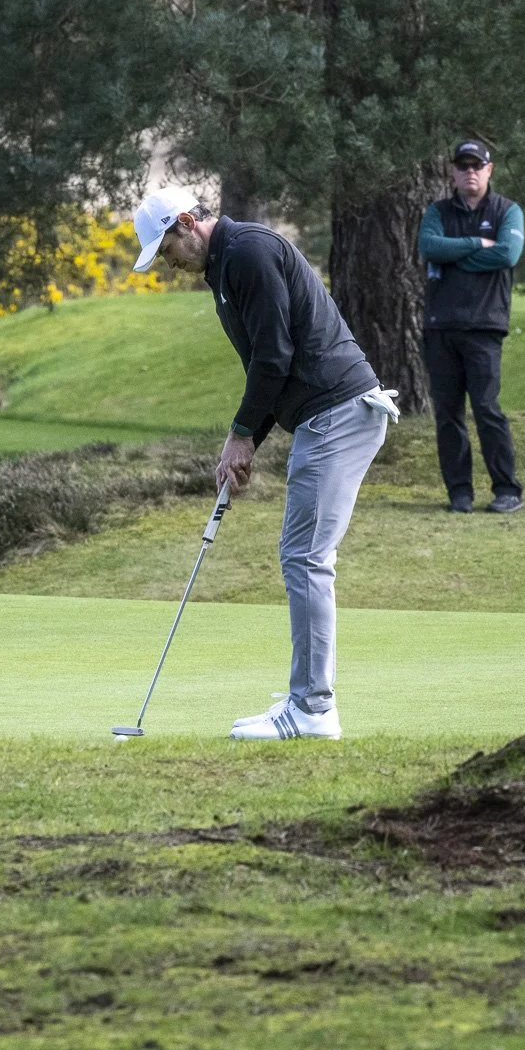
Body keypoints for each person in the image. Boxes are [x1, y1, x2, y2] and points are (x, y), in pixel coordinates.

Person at [134, 186, 401, 739]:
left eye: (166, 248)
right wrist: (248, 437)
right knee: (302, 555)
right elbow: (266, 359)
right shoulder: (226, 269)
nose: (168, 262)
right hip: (323, 414)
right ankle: (307, 695)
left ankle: (313, 709)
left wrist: (240, 436)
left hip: (337, 411)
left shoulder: (249, 253)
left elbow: (274, 356)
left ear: (187, 222)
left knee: (305, 557)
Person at [417, 138, 525, 513]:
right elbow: (430, 247)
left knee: (486, 407)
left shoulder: (507, 211)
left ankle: (507, 489)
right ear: (453, 171)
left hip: (485, 326)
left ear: (489, 170)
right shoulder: (437, 211)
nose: (470, 172)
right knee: (448, 414)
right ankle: (459, 492)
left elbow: (507, 254)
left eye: (476, 165)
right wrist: (478, 243)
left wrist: (458, 256)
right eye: (463, 166)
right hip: (441, 326)